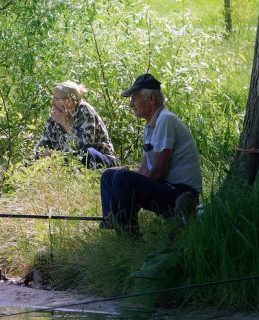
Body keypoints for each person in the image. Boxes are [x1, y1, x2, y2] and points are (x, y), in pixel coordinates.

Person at [100, 73, 202, 236]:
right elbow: (145, 170)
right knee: (109, 176)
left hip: (181, 194)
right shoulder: (150, 126)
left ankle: (129, 237)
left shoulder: (165, 120)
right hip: (166, 188)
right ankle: (113, 218)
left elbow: (159, 170)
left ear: (151, 99)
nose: (131, 104)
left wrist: (132, 199)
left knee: (123, 178)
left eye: (134, 98)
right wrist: (126, 197)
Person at [36, 81, 118, 169]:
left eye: (56, 99)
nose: (52, 103)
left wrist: (64, 123)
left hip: (100, 160)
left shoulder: (84, 111)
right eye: (53, 98)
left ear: (70, 99)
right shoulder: (54, 116)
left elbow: (82, 145)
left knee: (86, 154)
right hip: (66, 159)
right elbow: (42, 146)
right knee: (34, 159)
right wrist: (45, 154)